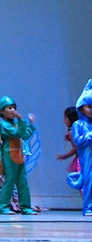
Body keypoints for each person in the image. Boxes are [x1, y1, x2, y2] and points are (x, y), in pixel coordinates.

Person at [0, 95, 37, 215]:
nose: (13, 110)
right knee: (9, 181)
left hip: (19, 156)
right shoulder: (4, 125)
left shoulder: (14, 124)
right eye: (9, 108)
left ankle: (26, 207)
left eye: (14, 107)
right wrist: (21, 120)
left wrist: (31, 124)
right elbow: (18, 133)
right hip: (9, 156)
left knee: (23, 183)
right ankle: (3, 207)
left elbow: (24, 136)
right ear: (2, 111)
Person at [68, 79, 92, 216]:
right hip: (87, 161)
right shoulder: (78, 125)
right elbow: (78, 140)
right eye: (89, 106)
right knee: (89, 181)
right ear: (82, 108)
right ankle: (88, 207)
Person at [56, 106, 80, 174]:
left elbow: (76, 148)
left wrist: (65, 156)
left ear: (71, 119)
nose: (64, 120)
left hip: (82, 159)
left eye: (65, 118)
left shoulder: (72, 132)